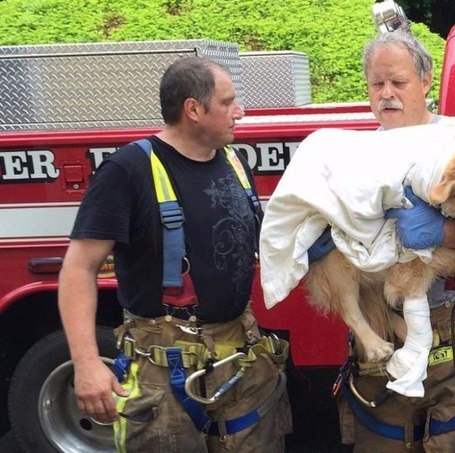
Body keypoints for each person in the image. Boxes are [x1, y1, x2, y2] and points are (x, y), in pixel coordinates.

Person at [58, 57, 291, 452]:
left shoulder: (234, 162)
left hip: (242, 359)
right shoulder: (128, 170)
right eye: (228, 103)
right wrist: (86, 365)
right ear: (194, 110)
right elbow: (79, 268)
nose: (240, 112)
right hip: (162, 371)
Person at [326, 29, 455, 452]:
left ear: (426, 81)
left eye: (398, 82)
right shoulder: (351, 155)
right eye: (376, 84)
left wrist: (439, 231)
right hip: (388, 321)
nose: (386, 94)